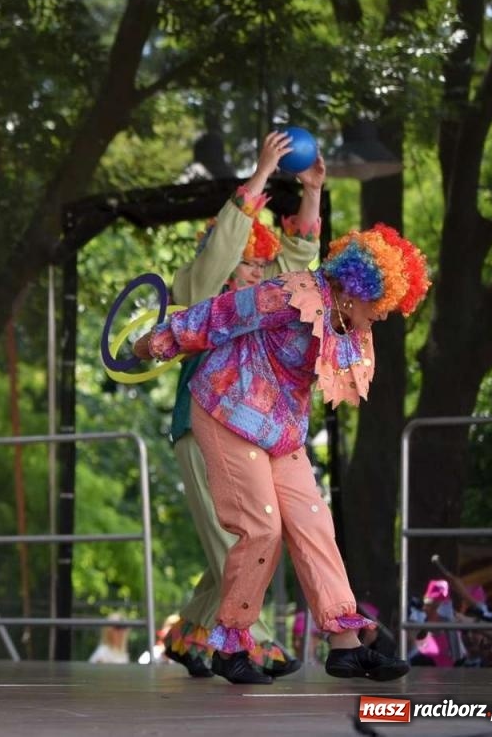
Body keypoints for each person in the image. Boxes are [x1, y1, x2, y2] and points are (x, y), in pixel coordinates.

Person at [133, 224, 430, 684]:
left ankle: (345, 644)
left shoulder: (350, 326)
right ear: (356, 289)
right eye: (382, 303)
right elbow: (221, 313)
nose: (386, 314)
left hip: (280, 428)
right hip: (228, 407)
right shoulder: (291, 294)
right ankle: (231, 646)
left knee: (314, 521)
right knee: (262, 528)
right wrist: (158, 340)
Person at [161, 131, 322, 680]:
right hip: (201, 426)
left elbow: (298, 263)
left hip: (251, 433)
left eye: (261, 263)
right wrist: (262, 173)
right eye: (248, 262)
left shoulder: (261, 299)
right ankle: (253, 642)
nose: (257, 271)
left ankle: (190, 633)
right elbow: (222, 249)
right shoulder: (201, 288)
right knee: (241, 537)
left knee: (238, 538)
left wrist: (312, 192)